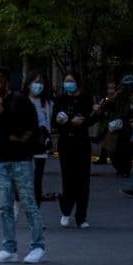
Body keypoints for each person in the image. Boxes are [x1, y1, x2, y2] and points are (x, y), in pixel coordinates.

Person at [0, 68, 46, 264]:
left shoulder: (19, 101)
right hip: (2, 161)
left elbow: (25, 132)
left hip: (22, 160)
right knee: (4, 206)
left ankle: (38, 246)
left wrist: (3, 115)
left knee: (28, 203)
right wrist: (7, 131)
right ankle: (8, 247)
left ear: (7, 82)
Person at [54, 73, 93, 227]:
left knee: (83, 180)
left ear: (78, 82)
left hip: (82, 142)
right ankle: (66, 210)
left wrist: (87, 118)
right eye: (66, 81)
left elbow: (90, 119)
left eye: (71, 81)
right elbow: (55, 122)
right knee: (68, 178)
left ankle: (81, 217)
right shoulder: (61, 100)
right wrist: (68, 122)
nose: (68, 84)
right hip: (65, 143)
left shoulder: (87, 99)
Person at [24, 73, 54, 206]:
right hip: (24, 147)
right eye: (36, 82)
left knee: (37, 181)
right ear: (29, 83)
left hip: (40, 147)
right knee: (23, 181)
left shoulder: (48, 103)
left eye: (41, 82)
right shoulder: (22, 100)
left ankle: (36, 215)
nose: (38, 85)